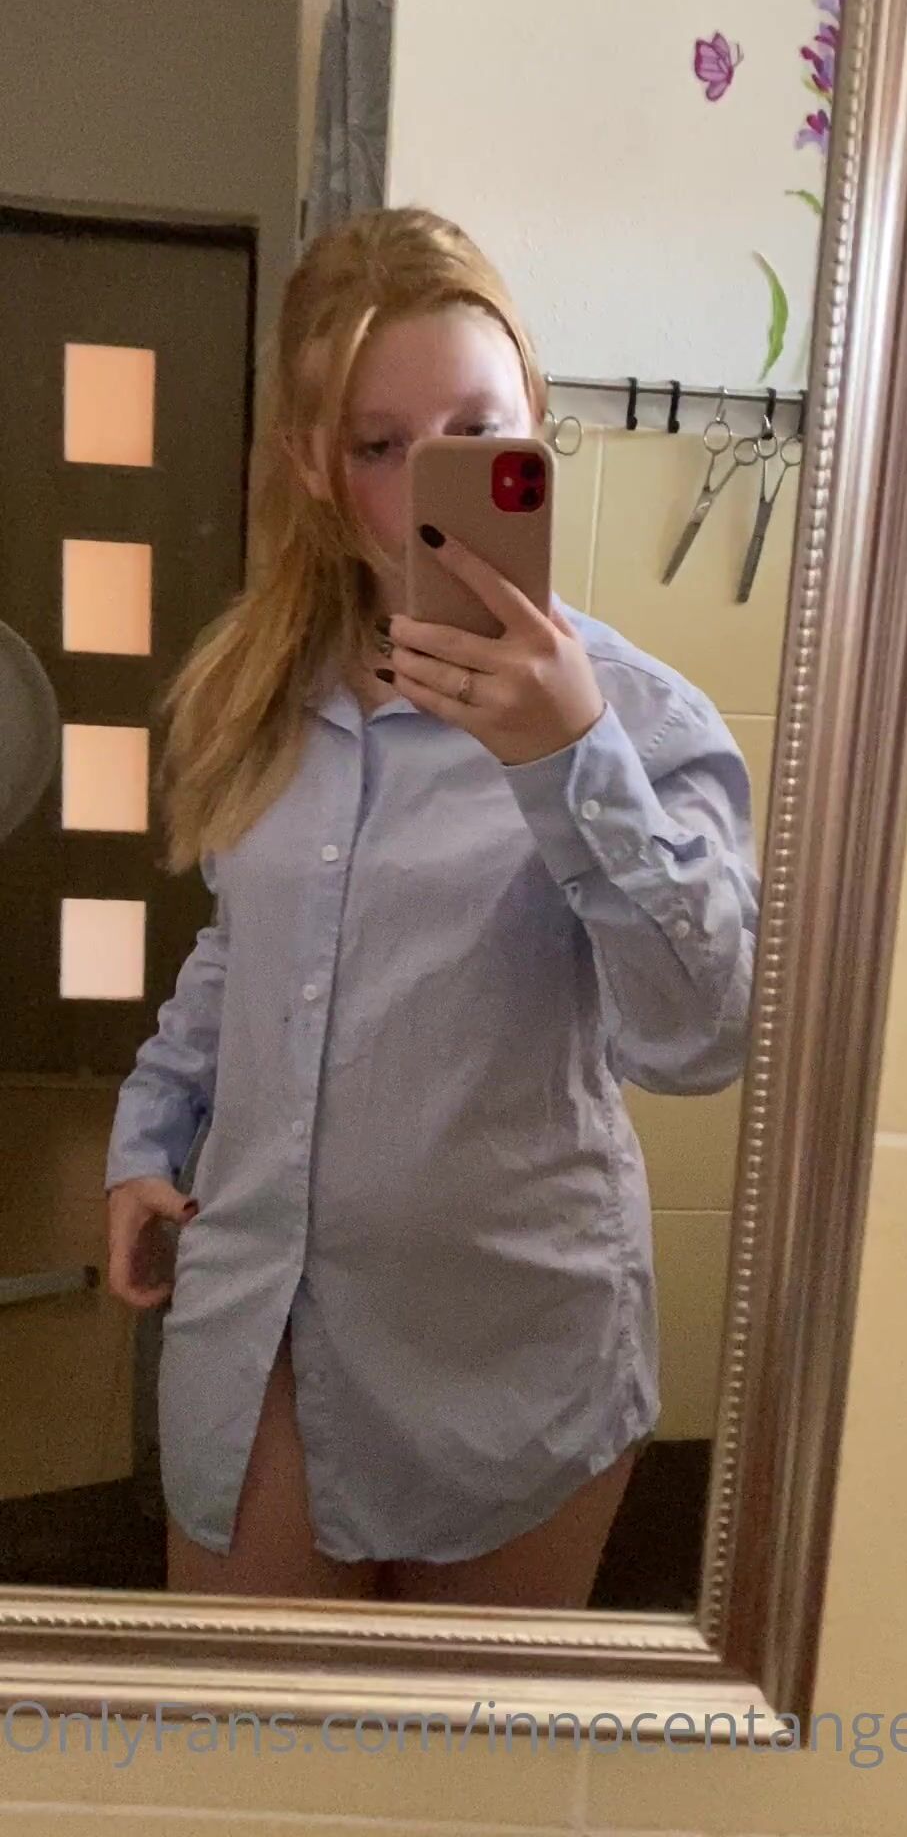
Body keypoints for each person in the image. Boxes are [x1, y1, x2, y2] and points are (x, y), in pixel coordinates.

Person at [105, 207, 759, 1607]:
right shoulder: (253, 692)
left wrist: (570, 760)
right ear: (312, 464)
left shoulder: (643, 720)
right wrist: (146, 1134)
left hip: (514, 1351)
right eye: (377, 445)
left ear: (532, 432)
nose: (422, 490)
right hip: (265, 1323)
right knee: (250, 1735)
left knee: (471, 1747)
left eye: (471, 433)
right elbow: (241, 952)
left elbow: (701, 1037)